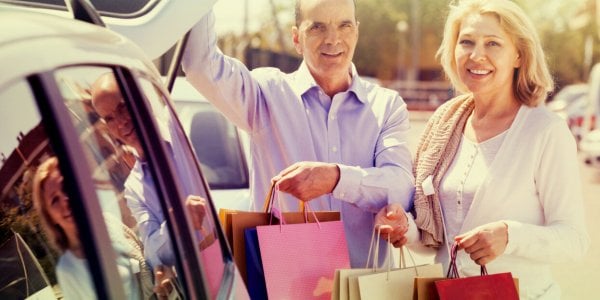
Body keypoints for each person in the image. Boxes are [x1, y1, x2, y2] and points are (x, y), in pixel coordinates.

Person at [375, 0, 590, 298]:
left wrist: (509, 235)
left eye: (493, 43)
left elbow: (574, 240)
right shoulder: (444, 126)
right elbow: (435, 239)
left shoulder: (546, 131)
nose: (477, 55)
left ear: (518, 55)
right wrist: (405, 228)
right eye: (467, 42)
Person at [182, 0, 414, 267]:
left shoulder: (387, 105)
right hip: (287, 286)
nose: (333, 39)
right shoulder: (266, 93)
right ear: (296, 38)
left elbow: (401, 187)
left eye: (344, 25)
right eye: (317, 27)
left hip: (365, 288)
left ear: (356, 32)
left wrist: (336, 179)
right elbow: (199, 65)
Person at [91, 73, 210, 269]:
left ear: (143, 100)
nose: (121, 123)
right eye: (110, 118)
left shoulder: (184, 132)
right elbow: (154, 256)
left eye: (123, 107)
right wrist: (176, 223)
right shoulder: (133, 188)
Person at [32, 157, 154, 300]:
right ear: (50, 217)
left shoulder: (108, 221)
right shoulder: (68, 270)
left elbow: (145, 261)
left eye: (66, 187)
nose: (65, 200)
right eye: (54, 200)